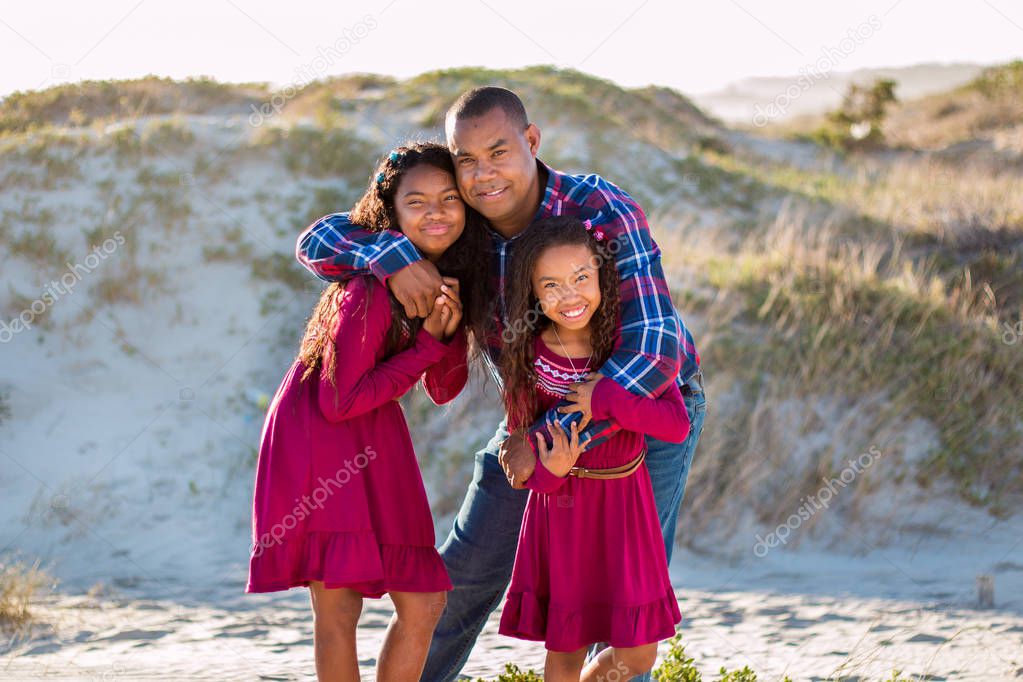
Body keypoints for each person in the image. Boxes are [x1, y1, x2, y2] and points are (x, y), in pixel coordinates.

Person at [295, 87, 707, 682]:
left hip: (641, 414)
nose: (482, 175)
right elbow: (319, 240)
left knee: (622, 610)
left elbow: (654, 352)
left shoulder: (596, 209)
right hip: (533, 415)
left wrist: (548, 439)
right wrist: (391, 256)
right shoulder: (459, 228)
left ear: (531, 142)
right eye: (466, 160)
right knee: (460, 579)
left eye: (498, 152)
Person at [247, 142, 491, 681]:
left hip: (376, 432)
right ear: (392, 213)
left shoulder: (444, 277)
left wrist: (447, 331)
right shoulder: (369, 290)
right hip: (319, 432)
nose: (436, 212)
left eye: (450, 198)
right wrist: (426, 345)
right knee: (338, 609)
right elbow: (340, 400)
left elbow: (444, 388)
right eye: (417, 202)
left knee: (424, 603)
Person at [496, 216, 689, 681]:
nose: (570, 295)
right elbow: (519, 456)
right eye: (552, 284)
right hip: (563, 511)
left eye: (582, 278)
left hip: (627, 507)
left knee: (639, 652)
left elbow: (676, 425)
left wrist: (607, 397)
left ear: (602, 277)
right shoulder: (529, 356)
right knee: (566, 648)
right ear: (534, 294)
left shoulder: (627, 348)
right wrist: (552, 471)